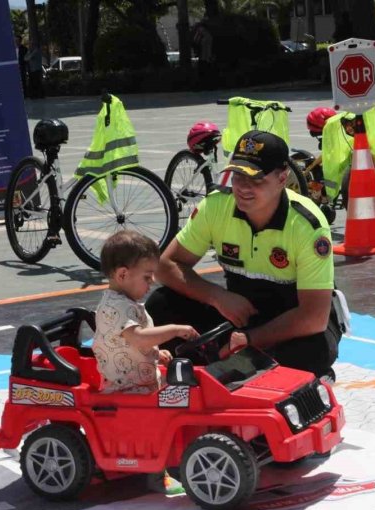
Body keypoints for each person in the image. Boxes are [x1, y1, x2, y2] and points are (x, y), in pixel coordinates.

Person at [146, 130, 342, 380]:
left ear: (282, 178)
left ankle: (229, 365)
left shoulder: (307, 225)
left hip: (291, 317)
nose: (243, 187)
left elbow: (313, 317)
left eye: (256, 179)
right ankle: (228, 366)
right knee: (160, 305)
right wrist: (217, 297)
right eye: (237, 175)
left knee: (314, 349)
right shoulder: (216, 206)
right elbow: (166, 265)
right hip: (239, 310)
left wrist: (249, 339)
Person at [93, 231, 197, 495]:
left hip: (141, 380)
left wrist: (156, 351)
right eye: (147, 277)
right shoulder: (115, 308)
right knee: (156, 425)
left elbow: (136, 342)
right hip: (127, 388)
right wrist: (172, 329)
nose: (151, 284)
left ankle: (168, 464)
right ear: (123, 274)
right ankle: (155, 476)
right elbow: (137, 338)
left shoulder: (127, 303)